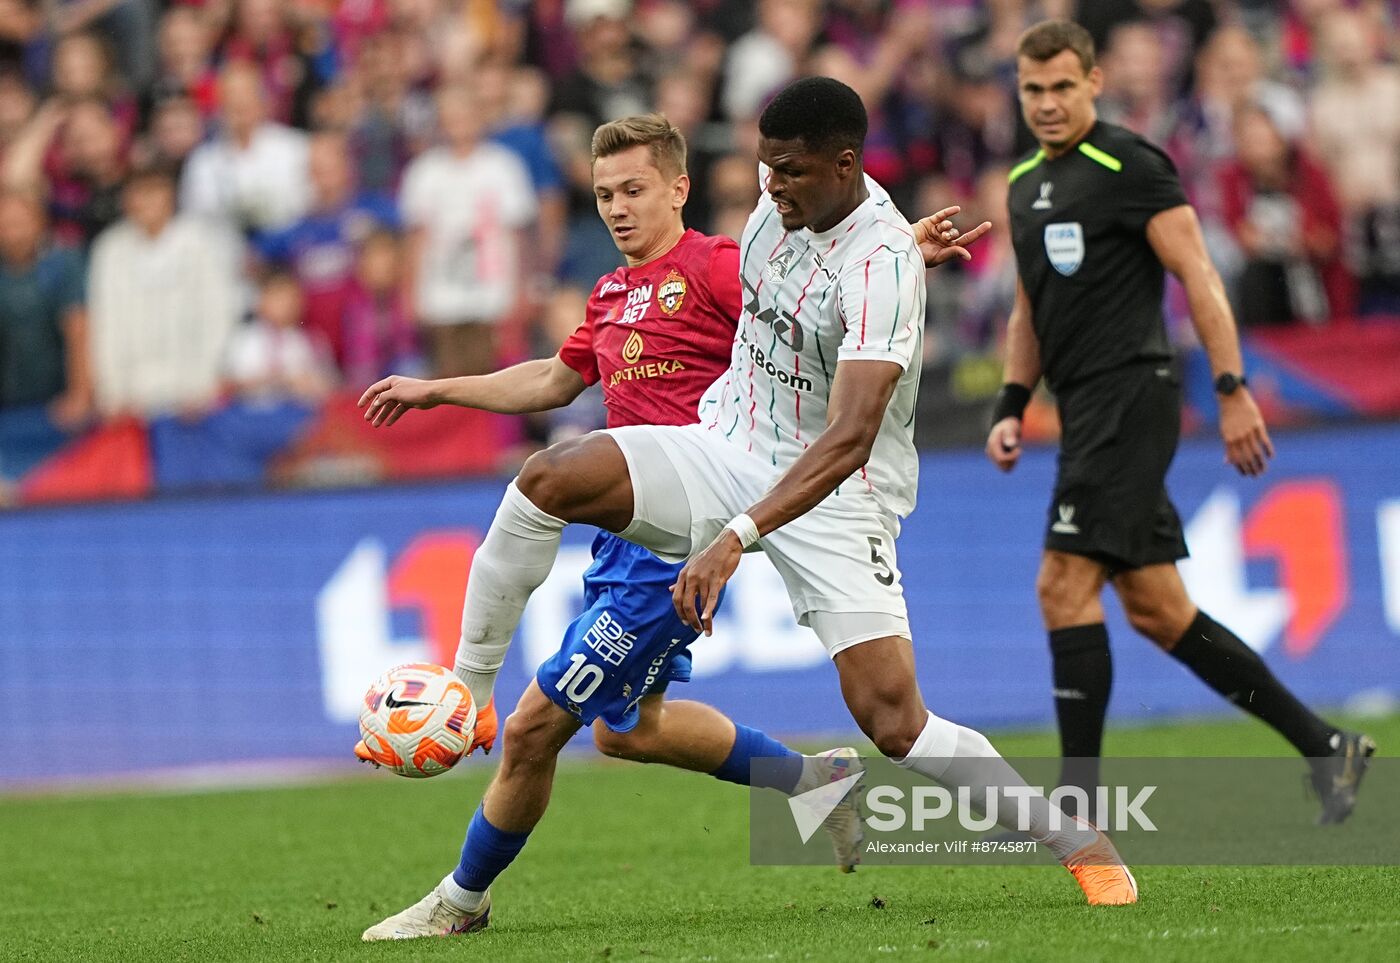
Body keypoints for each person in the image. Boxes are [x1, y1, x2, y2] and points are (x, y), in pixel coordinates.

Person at [360, 79, 1137, 944]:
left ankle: (1079, 839)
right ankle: (469, 688)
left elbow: (847, 436)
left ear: (845, 164)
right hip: (724, 443)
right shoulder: (773, 213)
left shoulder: (879, 267)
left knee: (894, 720)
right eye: (764, 170)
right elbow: (771, 298)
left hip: (838, 490)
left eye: (790, 173)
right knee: (549, 478)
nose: (769, 190)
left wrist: (735, 538)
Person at [988, 20, 1374, 828]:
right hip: (1082, 404)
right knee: (1159, 609)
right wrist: (1012, 403)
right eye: (1034, 90)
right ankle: (1324, 746)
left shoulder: (1130, 165)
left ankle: (1078, 804)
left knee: (1061, 585)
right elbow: (1030, 306)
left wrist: (1233, 389)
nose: (1049, 104)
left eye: (1063, 87)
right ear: (1019, 92)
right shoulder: (1025, 182)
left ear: (1094, 82)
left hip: (1133, 392)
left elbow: (1198, 275)